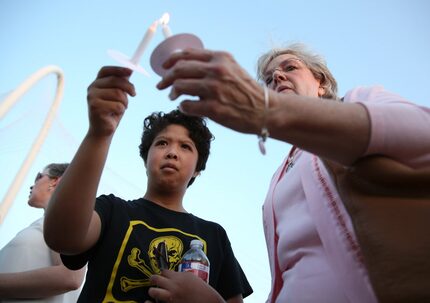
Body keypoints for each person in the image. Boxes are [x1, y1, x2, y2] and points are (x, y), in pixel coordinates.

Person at [151, 43, 430, 302]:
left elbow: (423, 133)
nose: (278, 78)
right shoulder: (279, 177)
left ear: (321, 82)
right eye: (270, 79)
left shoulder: (360, 101)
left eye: (290, 68)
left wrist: (272, 111)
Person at [43, 66, 253, 302]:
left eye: (185, 147)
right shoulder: (112, 211)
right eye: (162, 143)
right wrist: (99, 133)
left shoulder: (214, 235)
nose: (172, 152)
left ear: (198, 170)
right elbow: (62, 237)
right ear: (146, 158)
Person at [0, 163, 85, 302]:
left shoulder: (62, 215)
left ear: (56, 181)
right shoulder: (49, 221)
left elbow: (70, 276)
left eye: (38, 177)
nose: (32, 185)